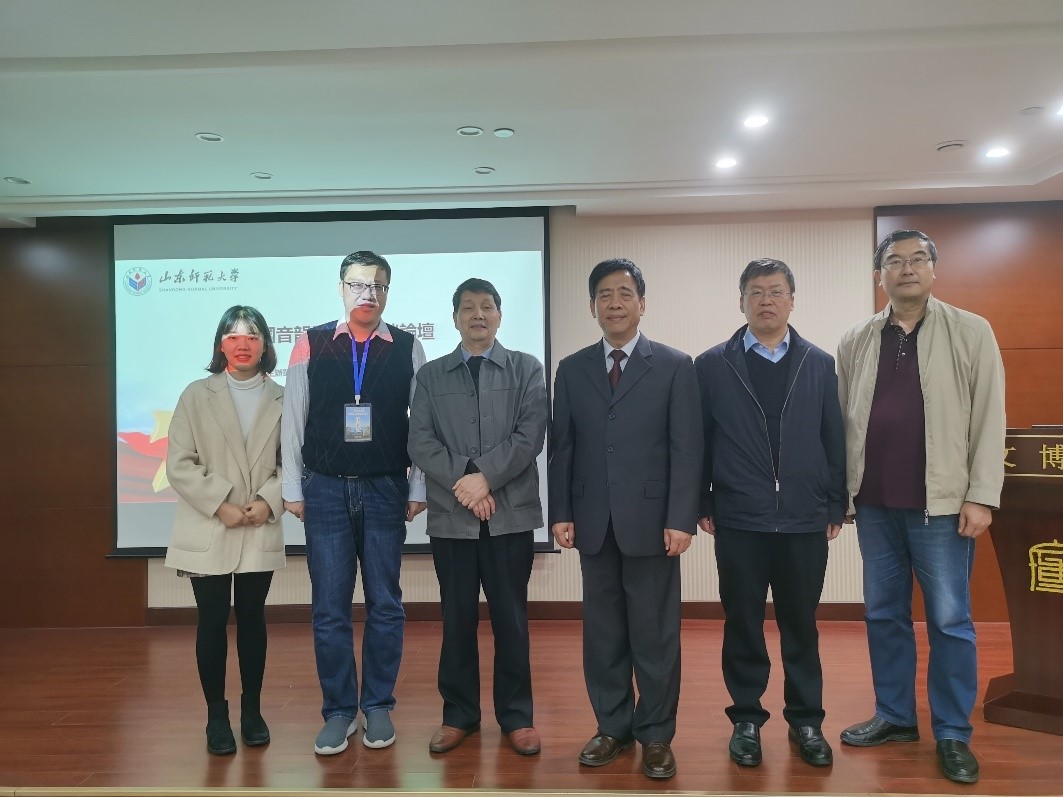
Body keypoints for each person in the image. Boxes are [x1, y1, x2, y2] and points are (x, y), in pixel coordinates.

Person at [836, 230, 1005, 785]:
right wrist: (842, 496)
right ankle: (895, 716)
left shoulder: (971, 330)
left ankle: (953, 732)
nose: (906, 268)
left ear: (934, 269)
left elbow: (990, 415)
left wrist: (982, 495)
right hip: (874, 505)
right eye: (894, 261)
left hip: (942, 506)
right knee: (884, 615)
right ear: (879, 275)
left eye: (917, 259)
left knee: (950, 620)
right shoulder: (857, 339)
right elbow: (843, 420)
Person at [548, 258, 702, 780]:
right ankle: (612, 726)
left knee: (655, 635)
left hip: (655, 523)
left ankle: (656, 734)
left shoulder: (675, 365)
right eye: (604, 295)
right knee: (603, 634)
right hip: (593, 521)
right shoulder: (572, 369)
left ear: (642, 303)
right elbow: (564, 447)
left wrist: (681, 517)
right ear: (592, 306)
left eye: (625, 293)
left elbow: (687, 449)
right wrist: (561, 511)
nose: (614, 303)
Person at [694, 259, 845, 769]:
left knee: (801, 624)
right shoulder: (712, 365)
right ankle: (746, 720)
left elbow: (833, 438)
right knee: (743, 623)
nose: (766, 300)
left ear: (791, 300)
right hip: (740, 517)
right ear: (741, 301)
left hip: (804, 517)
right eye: (756, 292)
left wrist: (835, 502)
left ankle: (806, 720)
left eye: (776, 291)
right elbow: (700, 440)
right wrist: (703, 500)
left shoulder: (818, 363)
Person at [281, 251, 427, 755]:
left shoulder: (407, 346)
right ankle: (339, 711)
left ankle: (378, 704)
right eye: (359, 285)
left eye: (378, 286)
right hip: (324, 488)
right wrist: (293, 488)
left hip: (385, 488)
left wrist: (418, 486)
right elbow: (293, 417)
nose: (369, 294)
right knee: (330, 607)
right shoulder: (310, 342)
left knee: (385, 603)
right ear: (342, 288)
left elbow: (421, 423)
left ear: (388, 291)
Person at [408, 277, 548, 757]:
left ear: (500, 315)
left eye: (487, 306)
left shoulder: (526, 368)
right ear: (454, 318)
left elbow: (530, 435)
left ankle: (517, 717)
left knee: (511, 620)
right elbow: (419, 440)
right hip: (453, 519)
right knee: (457, 619)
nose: (478, 315)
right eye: (468, 307)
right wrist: (468, 484)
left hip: (510, 518)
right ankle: (458, 715)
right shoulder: (431, 376)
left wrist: (485, 478)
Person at [164, 305, 285, 756]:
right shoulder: (196, 395)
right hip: (209, 523)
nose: (243, 344)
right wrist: (221, 504)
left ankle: (252, 711)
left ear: (265, 345)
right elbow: (179, 463)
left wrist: (268, 501)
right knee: (212, 620)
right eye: (233, 336)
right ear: (220, 344)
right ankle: (216, 716)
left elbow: (294, 461)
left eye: (252, 335)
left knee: (253, 618)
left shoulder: (284, 397)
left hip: (258, 522)